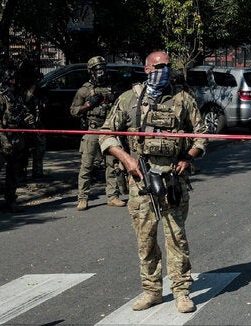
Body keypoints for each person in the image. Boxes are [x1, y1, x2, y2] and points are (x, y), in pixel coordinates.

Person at [98, 50, 206, 313]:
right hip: (141, 180)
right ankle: (152, 290)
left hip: (173, 180)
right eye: (159, 66)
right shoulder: (130, 99)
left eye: (168, 66)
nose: (164, 70)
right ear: (147, 69)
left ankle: (181, 291)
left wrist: (188, 157)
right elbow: (105, 134)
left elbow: (201, 135)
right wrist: (127, 159)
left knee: (176, 238)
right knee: (146, 240)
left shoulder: (183, 99)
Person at [71, 56, 124, 210]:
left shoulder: (111, 87)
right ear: (91, 71)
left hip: (109, 131)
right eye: (96, 69)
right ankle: (82, 198)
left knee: (112, 165)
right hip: (93, 130)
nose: (100, 72)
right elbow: (73, 111)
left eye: (102, 68)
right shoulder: (84, 90)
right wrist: (88, 104)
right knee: (86, 165)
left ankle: (113, 196)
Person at [0, 63, 33, 212]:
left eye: (15, 78)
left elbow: (23, 111)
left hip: (16, 136)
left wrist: (28, 118)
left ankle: (10, 200)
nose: (14, 81)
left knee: (13, 171)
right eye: (11, 78)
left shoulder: (16, 95)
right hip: (3, 137)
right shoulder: (1, 97)